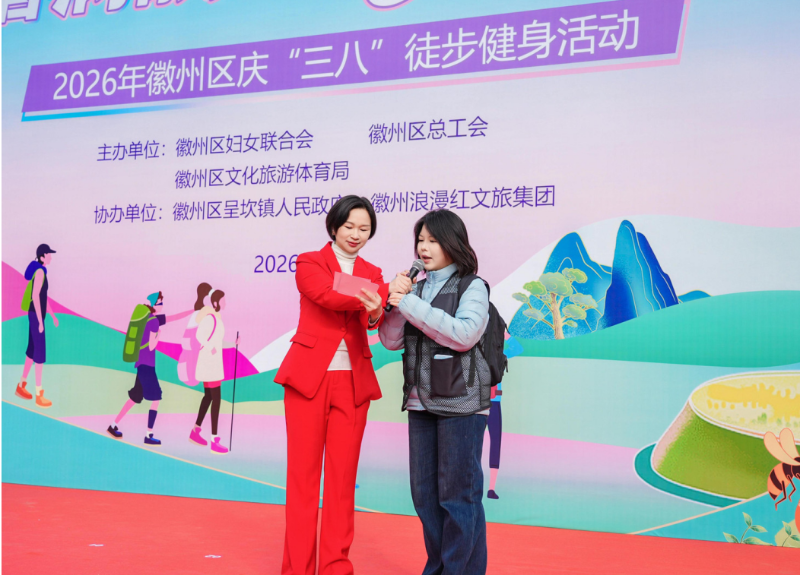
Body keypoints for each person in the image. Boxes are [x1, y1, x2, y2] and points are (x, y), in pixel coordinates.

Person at [275, 195, 407, 575]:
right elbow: (327, 295)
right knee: (302, 481)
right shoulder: (310, 262)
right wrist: (384, 291)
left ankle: (336, 567)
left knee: (342, 482)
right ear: (334, 226)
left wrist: (378, 308)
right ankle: (297, 569)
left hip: (352, 381)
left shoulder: (372, 271)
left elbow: (372, 321)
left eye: (364, 229)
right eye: (349, 226)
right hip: (308, 380)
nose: (355, 234)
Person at [379, 209, 491, 575]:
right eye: (420, 240)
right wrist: (398, 300)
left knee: (458, 497)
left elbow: (465, 334)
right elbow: (390, 340)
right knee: (425, 496)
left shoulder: (472, 286)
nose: (424, 248)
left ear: (453, 243)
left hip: (462, 403)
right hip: (420, 403)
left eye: (433, 240)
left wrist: (409, 303)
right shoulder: (415, 287)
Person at [107, 292, 191, 444]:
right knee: (156, 398)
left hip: (141, 363)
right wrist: (159, 335)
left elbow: (173, 318)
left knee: (134, 398)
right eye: (160, 302)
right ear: (154, 305)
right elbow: (152, 346)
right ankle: (149, 435)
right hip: (147, 365)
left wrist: (192, 310)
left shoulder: (148, 318)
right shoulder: (153, 322)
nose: (162, 305)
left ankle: (113, 425)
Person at [190, 288, 239, 454]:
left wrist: (233, 344)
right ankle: (214, 440)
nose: (225, 303)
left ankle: (195, 431)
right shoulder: (210, 318)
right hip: (210, 366)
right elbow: (199, 336)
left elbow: (218, 341)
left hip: (212, 365)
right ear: (217, 302)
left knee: (209, 397)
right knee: (216, 399)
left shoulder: (217, 319)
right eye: (223, 300)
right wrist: (210, 347)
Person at [16, 244, 59, 408]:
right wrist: (41, 321)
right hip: (36, 316)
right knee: (39, 355)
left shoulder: (42, 272)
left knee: (32, 351)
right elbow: (35, 296)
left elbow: (43, 298)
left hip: (35, 315)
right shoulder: (40, 272)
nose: (51, 257)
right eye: (49, 254)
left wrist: (52, 315)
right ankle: (39, 394)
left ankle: (21, 386)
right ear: (42, 256)